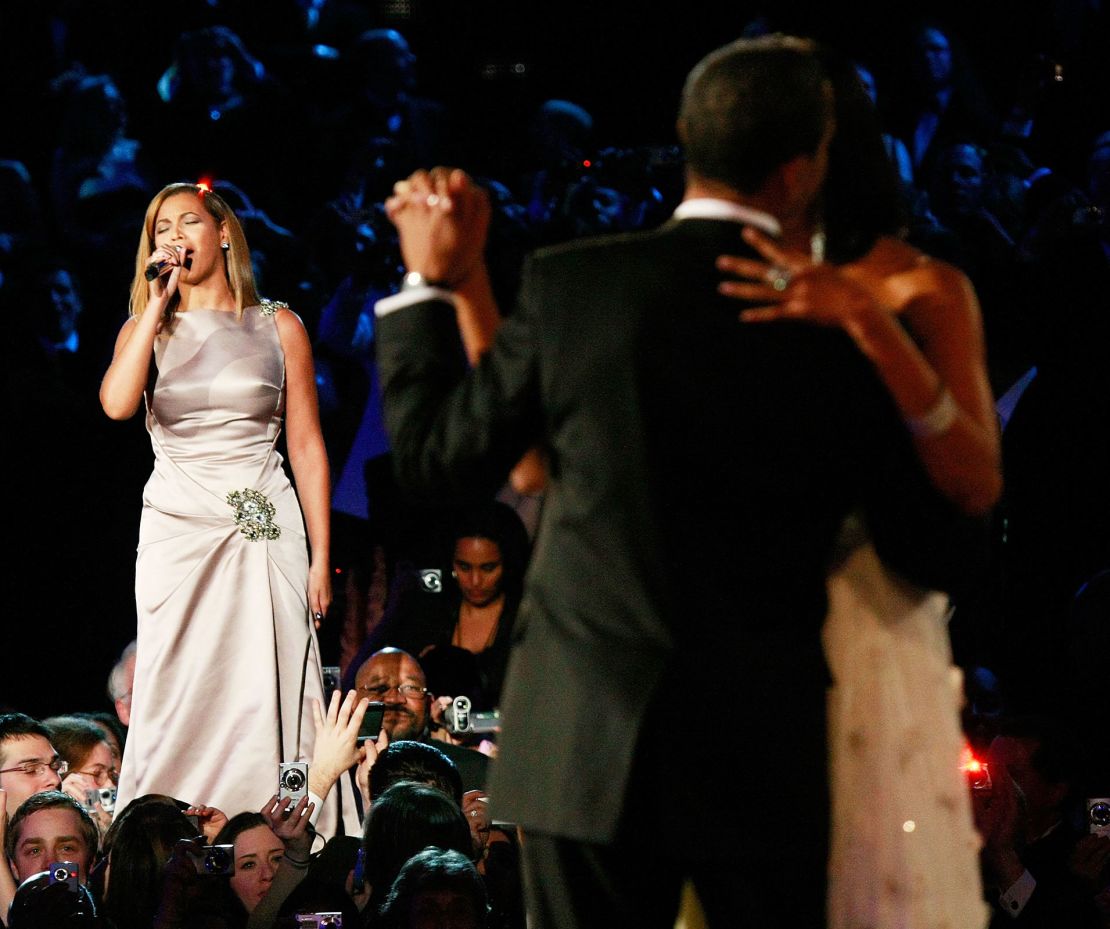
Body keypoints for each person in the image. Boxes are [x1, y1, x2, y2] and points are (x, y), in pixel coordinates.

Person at [374, 34, 984, 929]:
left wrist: (432, 281)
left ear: (684, 138)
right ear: (805, 166)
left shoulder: (573, 285)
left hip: (579, 741)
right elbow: (932, 542)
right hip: (756, 744)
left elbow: (439, 461)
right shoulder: (833, 316)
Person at [713, 51, 998, 929]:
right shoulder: (718, 283)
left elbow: (976, 479)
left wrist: (870, 326)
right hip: (739, 635)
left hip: (872, 625)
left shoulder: (926, 288)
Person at [99, 182, 358, 838]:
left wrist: (323, 553)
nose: (174, 235)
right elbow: (116, 404)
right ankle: (160, 840)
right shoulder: (147, 328)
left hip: (260, 521)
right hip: (177, 527)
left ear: (221, 233)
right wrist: (154, 305)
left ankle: (285, 834)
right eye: (161, 227)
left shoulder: (279, 324)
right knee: (180, 681)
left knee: (262, 677)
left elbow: (305, 443)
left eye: (189, 220)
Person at [366, 501, 530, 710]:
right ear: (450, 562)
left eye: (488, 568)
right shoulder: (430, 613)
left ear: (508, 564)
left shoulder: (524, 620)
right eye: (464, 567)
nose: (475, 580)